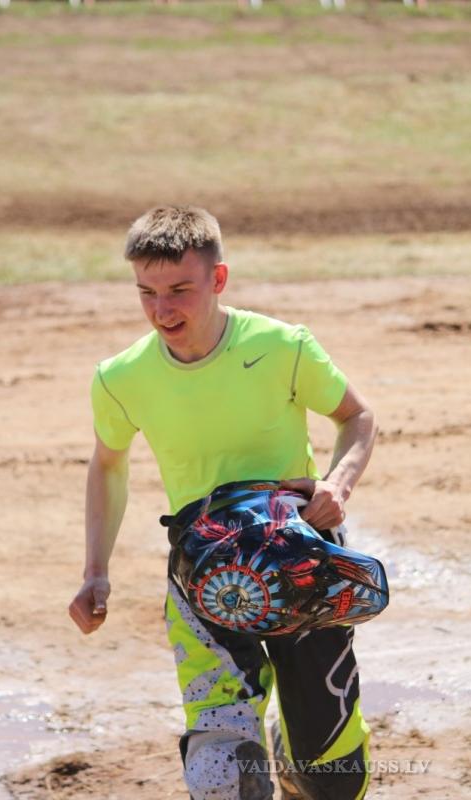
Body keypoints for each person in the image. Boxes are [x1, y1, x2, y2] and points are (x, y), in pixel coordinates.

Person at [69, 205, 378, 799]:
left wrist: (337, 486)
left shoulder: (282, 346)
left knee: (332, 778)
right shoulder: (120, 377)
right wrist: (94, 571)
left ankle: (297, 757)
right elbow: (108, 464)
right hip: (203, 576)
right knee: (223, 774)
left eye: (179, 290)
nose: (162, 310)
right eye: (147, 292)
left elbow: (358, 416)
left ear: (218, 279)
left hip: (304, 563)